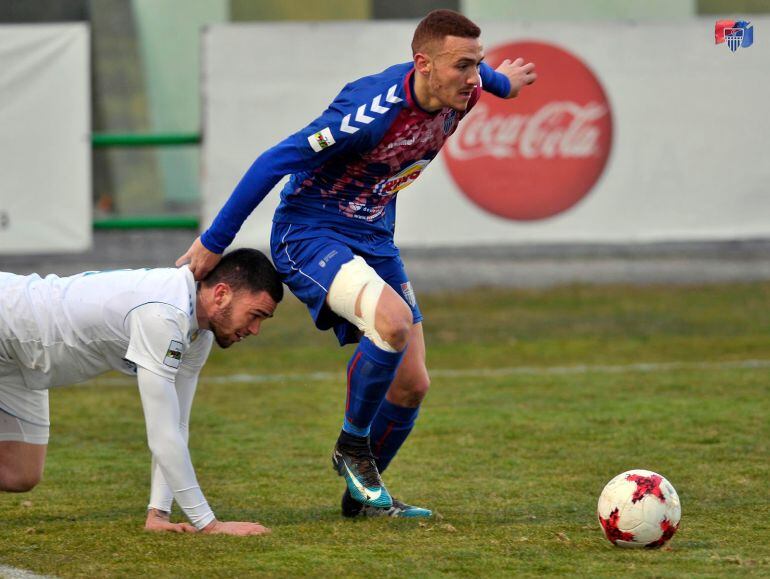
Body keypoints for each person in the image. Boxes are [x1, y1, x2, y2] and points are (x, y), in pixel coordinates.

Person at [177, 9, 537, 518]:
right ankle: (351, 446)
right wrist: (215, 242)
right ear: (424, 65)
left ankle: (362, 502)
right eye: (462, 66)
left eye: (477, 65)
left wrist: (508, 84)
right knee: (391, 324)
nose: (473, 78)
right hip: (310, 230)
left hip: (372, 234)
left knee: (413, 383)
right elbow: (276, 159)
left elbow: (486, 77)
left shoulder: (468, 88)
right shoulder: (370, 110)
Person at [0, 249, 283, 535]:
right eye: (255, 315)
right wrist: (209, 524)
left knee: (20, 474)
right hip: (5, 322)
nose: (256, 330)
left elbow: (176, 423)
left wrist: (158, 514)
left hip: (20, 364)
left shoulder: (199, 331)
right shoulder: (164, 313)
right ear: (221, 294)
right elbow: (162, 435)